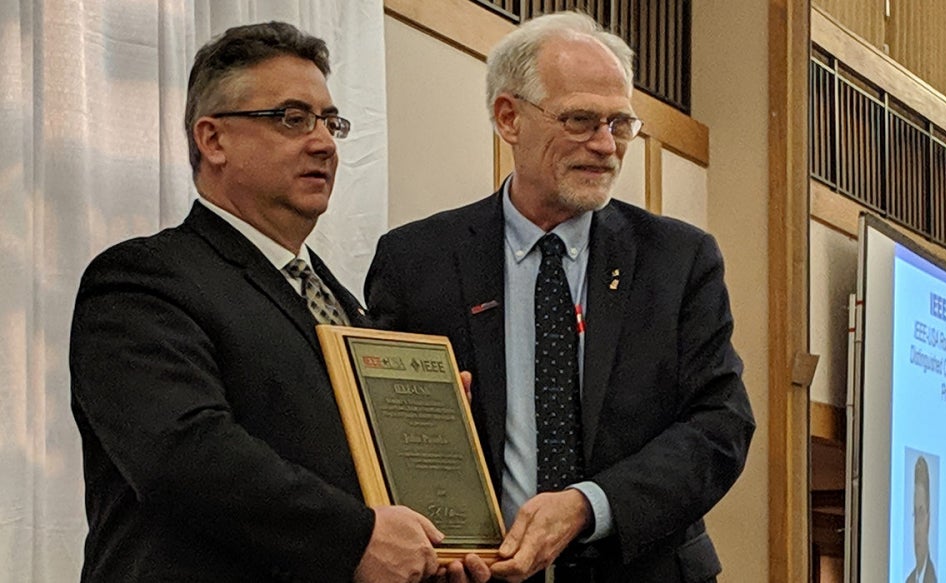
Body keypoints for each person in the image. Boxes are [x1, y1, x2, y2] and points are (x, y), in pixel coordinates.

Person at [69, 22, 488, 583]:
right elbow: (182, 454)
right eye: (291, 118)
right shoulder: (143, 279)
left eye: (329, 121)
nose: (323, 142)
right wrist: (356, 538)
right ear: (212, 139)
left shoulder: (342, 303)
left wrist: (431, 517)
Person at [364, 11, 755, 583]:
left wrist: (585, 506)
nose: (605, 146)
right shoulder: (417, 261)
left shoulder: (678, 260)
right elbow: (376, 431)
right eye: (580, 120)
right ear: (508, 117)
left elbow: (721, 427)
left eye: (620, 124)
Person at [906, 456, 936, 583]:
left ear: (929, 520)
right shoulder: (909, 580)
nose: (916, 529)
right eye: (915, 515)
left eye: (921, 513)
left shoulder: (934, 578)